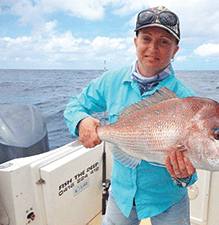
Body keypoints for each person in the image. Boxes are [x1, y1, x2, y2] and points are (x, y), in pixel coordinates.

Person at [64, 6, 198, 225]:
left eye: (164, 41)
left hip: (168, 200)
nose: (153, 48)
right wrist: (81, 120)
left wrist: (182, 176)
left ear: (175, 50)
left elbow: (194, 164)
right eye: (146, 38)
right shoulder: (111, 80)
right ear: (136, 42)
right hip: (122, 194)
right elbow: (75, 104)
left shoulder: (186, 99)